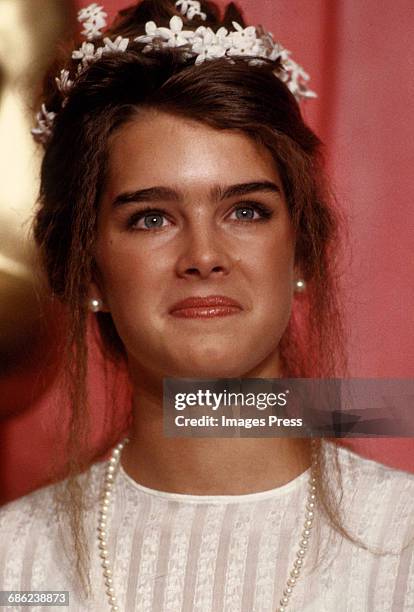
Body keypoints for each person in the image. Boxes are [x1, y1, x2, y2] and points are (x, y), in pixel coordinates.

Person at [1, 1, 413, 611]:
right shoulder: (16, 563)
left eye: (246, 211)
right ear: (87, 270)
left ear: (300, 251)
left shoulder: (402, 541)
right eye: (151, 217)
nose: (204, 256)